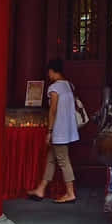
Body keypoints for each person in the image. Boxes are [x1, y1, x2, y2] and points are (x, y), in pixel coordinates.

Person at [27, 59, 79, 203]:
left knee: (63, 160)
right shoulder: (69, 85)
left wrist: (49, 131)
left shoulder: (54, 88)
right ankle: (40, 189)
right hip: (68, 129)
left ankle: (70, 192)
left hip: (59, 130)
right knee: (51, 159)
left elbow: (53, 111)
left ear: (52, 71)